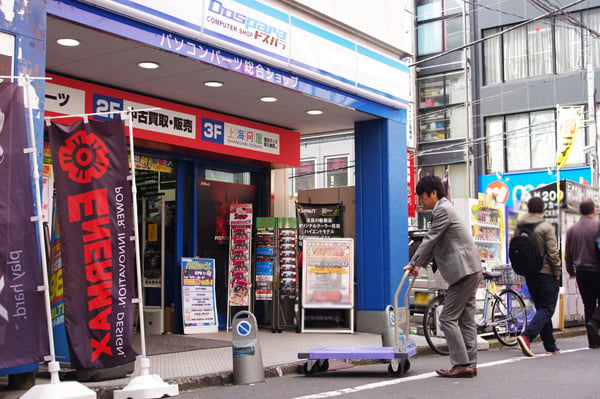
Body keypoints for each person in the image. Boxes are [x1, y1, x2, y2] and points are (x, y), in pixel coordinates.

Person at [404, 175, 482, 378]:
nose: (422, 201)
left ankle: (461, 363)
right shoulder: (444, 209)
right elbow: (435, 242)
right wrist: (418, 265)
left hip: (463, 271)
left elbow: (430, 239)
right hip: (469, 269)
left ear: (433, 193)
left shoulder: (442, 210)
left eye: (423, 197)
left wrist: (413, 262)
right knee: (465, 319)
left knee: (447, 317)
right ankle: (469, 364)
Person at [515, 196, 561, 356]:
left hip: (529, 274)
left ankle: (550, 345)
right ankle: (527, 337)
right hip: (546, 273)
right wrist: (557, 271)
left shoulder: (520, 227)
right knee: (548, 308)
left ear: (528, 209)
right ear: (542, 210)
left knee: (542, 308)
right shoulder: (545, 227)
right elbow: (553, 252)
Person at [564, 199, 600, 348]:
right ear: (593, 211)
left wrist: (570, 270)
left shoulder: (572, 229)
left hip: (581, 271)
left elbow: (568, 252)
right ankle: (595, 322)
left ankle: (592, 340)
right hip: (597, 269)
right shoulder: (597, 225)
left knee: (588, 304)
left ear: (580, 211)